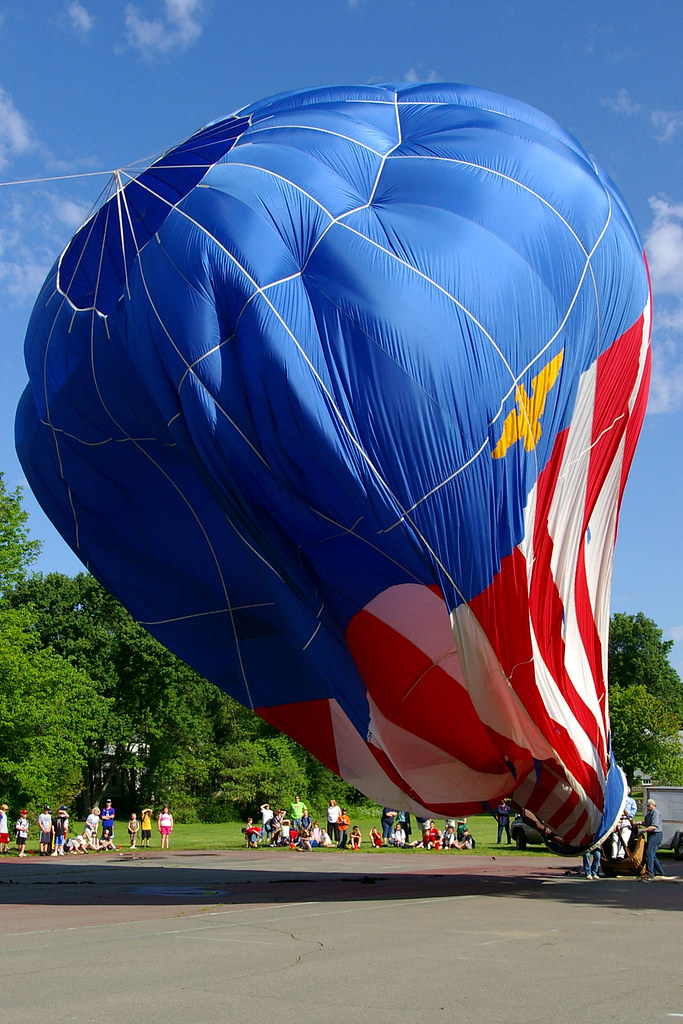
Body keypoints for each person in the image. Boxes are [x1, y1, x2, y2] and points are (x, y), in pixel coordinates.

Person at [610, 786, 638, 859]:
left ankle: (620, 855)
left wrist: (626, 813)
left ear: (628, 792)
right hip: (617, 822)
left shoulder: (631, 801)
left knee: (624, 839)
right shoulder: (617, 801)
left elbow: (633, 812)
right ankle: (613, 856)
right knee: (614, 839)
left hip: (626, 821)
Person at [641, 798, 665, 880]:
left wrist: (643, 830)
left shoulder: (656, 813)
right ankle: (659, 872)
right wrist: (640, 823)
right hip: (651, 835)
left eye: (648, 805)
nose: (647, 807)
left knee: (649, 854)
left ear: (653, 805)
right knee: (653, 855)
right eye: (646, 806)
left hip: (656, 835)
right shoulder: (649, 814)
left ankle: (650, 872)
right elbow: (647, 823)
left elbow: (654, 827)